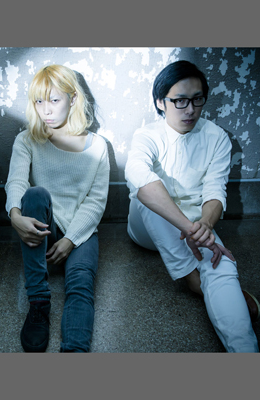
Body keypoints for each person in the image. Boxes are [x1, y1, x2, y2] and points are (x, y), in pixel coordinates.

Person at [125, 60, 259, 352]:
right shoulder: (147, 135)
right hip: (146, 227)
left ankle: (245, 350)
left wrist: (206, 226)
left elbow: (215, 192)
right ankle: (191, 278)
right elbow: (138, 176)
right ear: (160, 102)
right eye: (180, 101)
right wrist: (189, 228)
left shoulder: (216, 138)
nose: (190, 109)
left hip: (194, 223)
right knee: (147, 192)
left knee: (222, 262)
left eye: (197, 99)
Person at [5, 65, 109, 352]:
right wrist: (15, 216)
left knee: (81, 286)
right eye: (39, 101)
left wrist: (70, 239)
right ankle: (38, 301)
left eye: (54, 100)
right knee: (35, 194)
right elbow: (16, 180)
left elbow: (96, 201)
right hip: (42, 226)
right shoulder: (27, 139)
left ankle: (74, 350)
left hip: (81, 231)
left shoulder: (98, 146)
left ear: (73, 99)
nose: (46, 110)